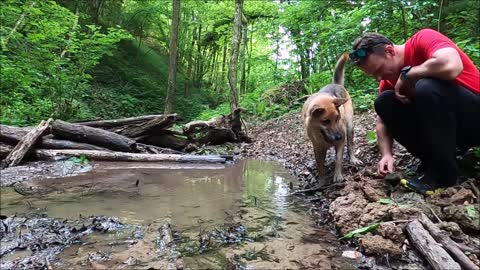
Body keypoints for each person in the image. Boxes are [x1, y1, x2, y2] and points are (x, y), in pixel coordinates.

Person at [349, 28, 480, 194]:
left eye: (379, 70)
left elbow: (452, 66)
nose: (379, 78)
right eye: (373, 75)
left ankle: (442, 176)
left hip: (474, 116)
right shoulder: (389, 80)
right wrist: (387, 154)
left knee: (426, 87)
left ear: (389, 51)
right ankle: (437, 160)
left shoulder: (422, 39)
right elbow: (382, 122)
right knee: (384, 102)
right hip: (451, 131)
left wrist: (409, 74)